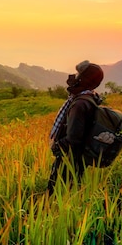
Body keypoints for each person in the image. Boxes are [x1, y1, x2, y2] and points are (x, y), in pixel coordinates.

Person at [47, 60, 104, 194]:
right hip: (78, 158)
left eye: (79, 74)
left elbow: (74, 138)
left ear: (83, 79)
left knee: (55, 192)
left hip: (69, 158)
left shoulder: (80, 104)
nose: (74, 77)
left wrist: (57, 146)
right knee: (70, 191)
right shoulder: (89, 98)